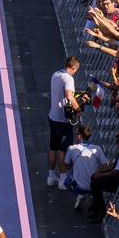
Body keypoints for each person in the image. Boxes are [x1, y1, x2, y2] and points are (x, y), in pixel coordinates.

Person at [48, 56, 79, 184]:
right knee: (62, 149)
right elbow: (69, 95)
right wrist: (77, 108)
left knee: (53, 147)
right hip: (62, 119)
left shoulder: (56, 74)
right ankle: (62, 178)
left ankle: (50, 176)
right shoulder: (68, 78)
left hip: (52, 116)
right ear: (73, 68)